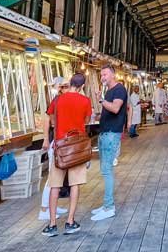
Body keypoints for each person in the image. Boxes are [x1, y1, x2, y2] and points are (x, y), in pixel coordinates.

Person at [42, 73, 92, 237]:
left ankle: (52, 224)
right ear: (82, 86)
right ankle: (70, 222)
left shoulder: (58, 100)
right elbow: (86, 121)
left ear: (70, 83)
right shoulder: (85, 101)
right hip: (76, 147)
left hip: (60, 147)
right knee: (74, 185)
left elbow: (50, 119)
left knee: (54, 186)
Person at [91, 64, 127, 222]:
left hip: (111, 134)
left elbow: (115, 108)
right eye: (101, 75)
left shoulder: (119, 89)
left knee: (107, 171)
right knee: (105, 170)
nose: (102, 77)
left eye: (105, 74)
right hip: (105, 133)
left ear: (113, 75)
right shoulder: (110, 91)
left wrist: (100, 99)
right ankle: (106, 204)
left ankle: (109, 207)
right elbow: (108, 110)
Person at [39, 77, 70, 221]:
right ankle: (44, 209)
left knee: (56, 178)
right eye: (64, 86)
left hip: (59, 141)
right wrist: (46, 138)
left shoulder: (60, 100)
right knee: (52, 178)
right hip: (55, 141)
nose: (66, 88)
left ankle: (52, 206)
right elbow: (47, 120)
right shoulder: (56, 100)